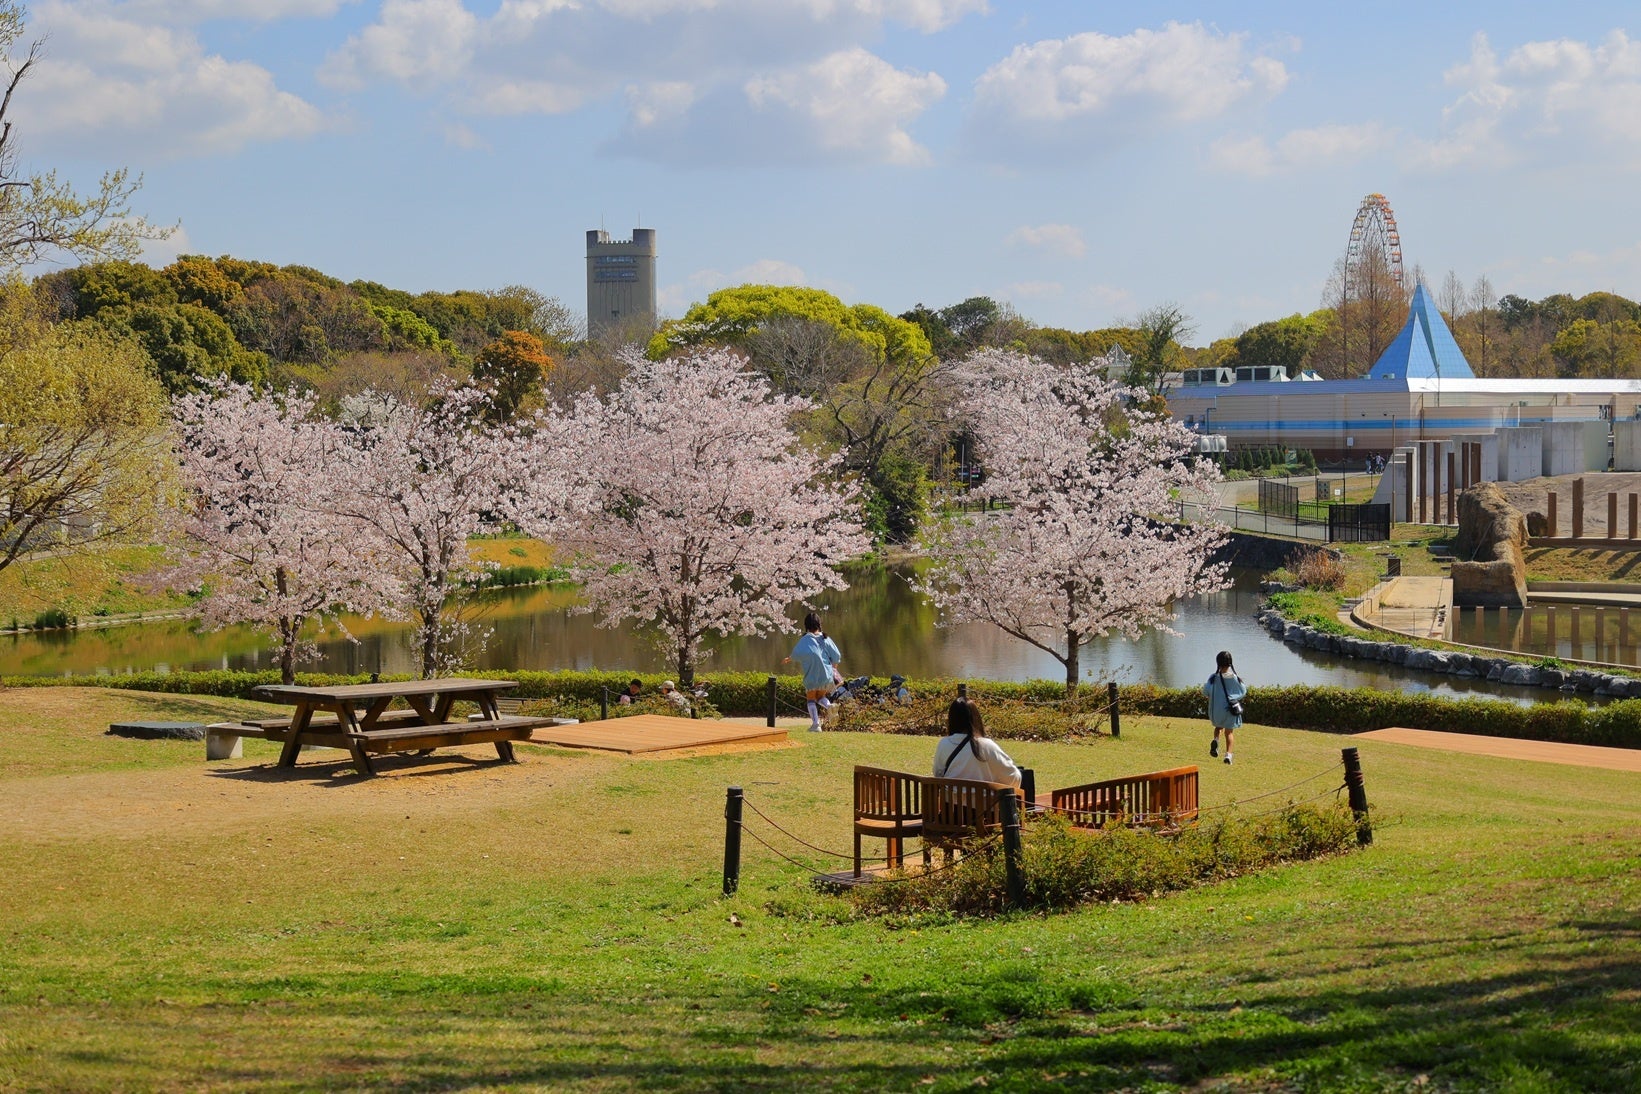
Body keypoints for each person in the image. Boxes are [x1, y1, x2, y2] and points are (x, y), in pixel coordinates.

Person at [933, 698, 1021, 787]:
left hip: (950, 800)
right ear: (976, 718)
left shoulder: (944, 744)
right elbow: (1013, 777)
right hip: (983, 800)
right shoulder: (987, 746)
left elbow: (938, 774)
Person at [783, 611, 841, 732]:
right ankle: (830, 706)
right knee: (820, 697)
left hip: (812, 675)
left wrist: (790, 658)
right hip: (826, 675)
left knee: (810, 699)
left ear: (806, 625)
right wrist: (834, 669)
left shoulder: (805, 639)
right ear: (819, 624)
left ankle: (816, 724)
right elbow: (836, 655)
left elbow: (797, 653)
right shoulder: (825, 638)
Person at [1203, 650, 1246, 765]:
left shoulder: (1213, 678)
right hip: (1230, 711)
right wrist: (1232, 697)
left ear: (1218, 663)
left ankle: (1216, 740)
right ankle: (1228, 755)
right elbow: (1243, 691)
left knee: (1218, 728)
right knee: (1229, 733)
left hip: (1217, 710)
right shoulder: (1234, 678)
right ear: (1230, 663)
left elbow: (1206, 691)